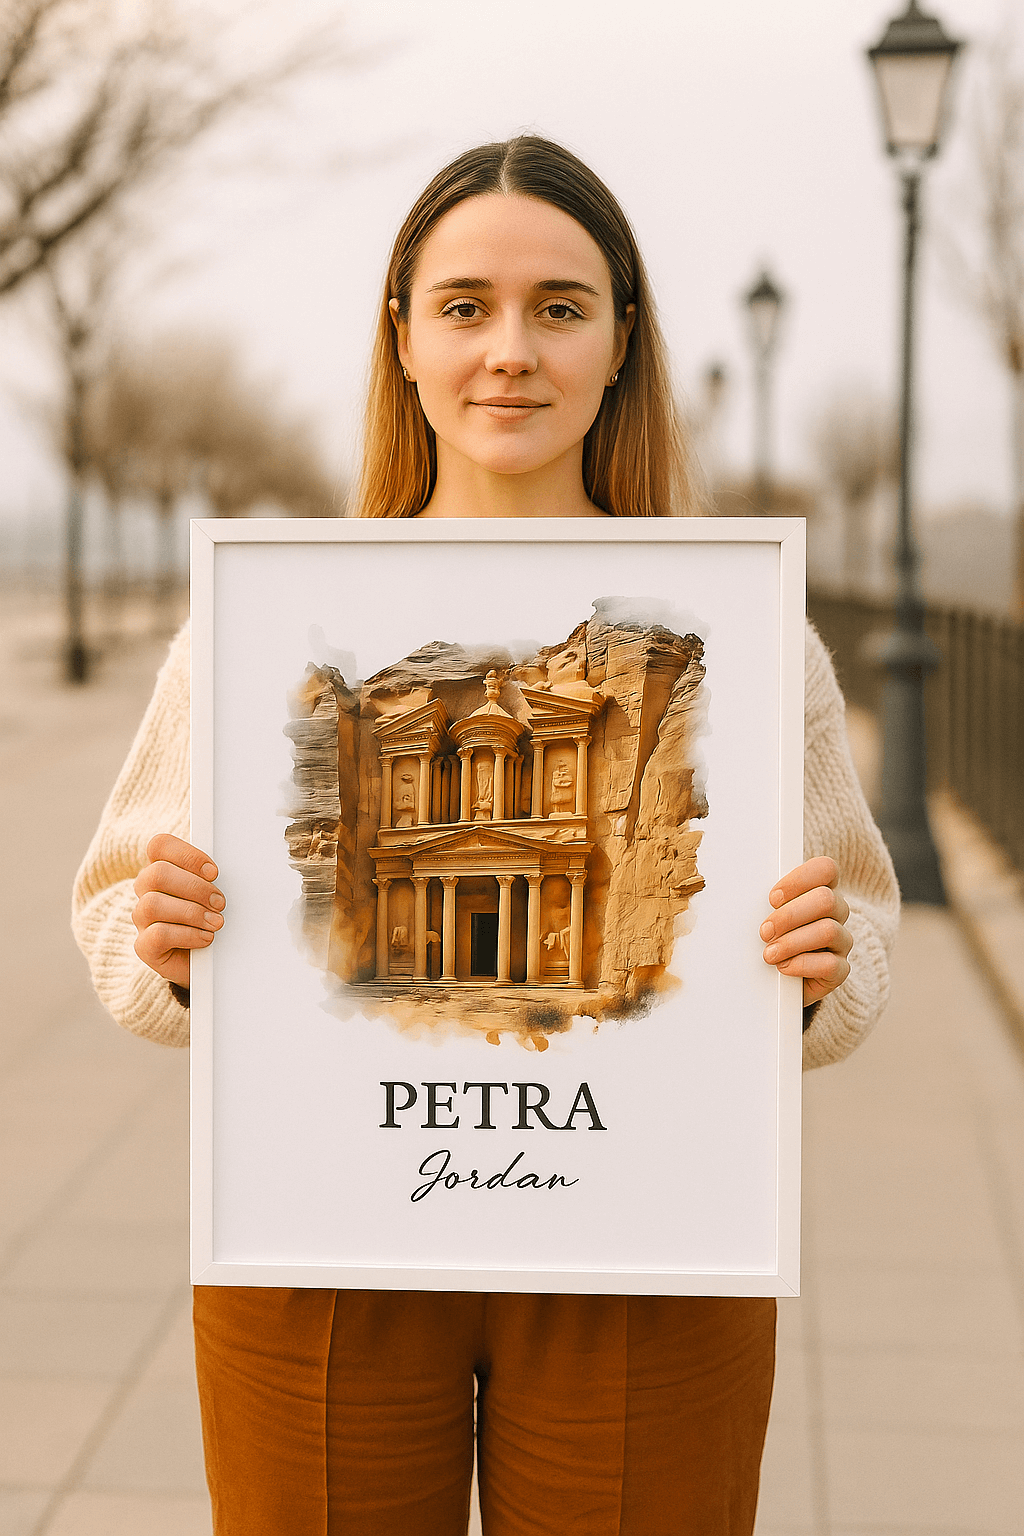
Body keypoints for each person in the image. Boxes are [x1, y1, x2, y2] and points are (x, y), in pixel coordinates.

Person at [72, 137, 899, 1536]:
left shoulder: (746, 633)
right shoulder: (271, 616)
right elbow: (110, 910)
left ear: (622, 344)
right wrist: (167, 947)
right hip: (324, 1225)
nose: (509, 351)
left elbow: (861, 927)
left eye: (560, 308)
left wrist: (823, 968)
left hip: (647, 1238)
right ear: (401, 340)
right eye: (464, 306)